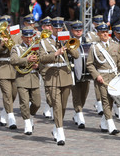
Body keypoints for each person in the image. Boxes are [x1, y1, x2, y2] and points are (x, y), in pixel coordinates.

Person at [39, 17, 79, 145]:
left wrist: (68, 46)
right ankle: (61, 133)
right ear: (51, 28)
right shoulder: (44, 42)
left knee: (63, 106)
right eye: (55, 28)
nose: (58, 30)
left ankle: (56, 127)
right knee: (56, 105)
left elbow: (77, 55)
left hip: (65, 76)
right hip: (52, 76)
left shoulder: (66, 40)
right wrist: (56, 53)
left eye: (60, 28)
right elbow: (42, 58)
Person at [86, 22, 120, 135]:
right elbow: (89, 64)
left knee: (112, 100)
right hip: (102, 77)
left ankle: (104, 123)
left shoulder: (115, 45)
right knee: (105, 100)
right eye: (102, 32)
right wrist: (96, 75)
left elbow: (119, 60)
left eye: (106, 32)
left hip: (114, 76)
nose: (105, 34)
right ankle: (111, 126)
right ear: (98, 34)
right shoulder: (94, 47)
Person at [10, 26, 41, 135]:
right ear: (22, 37)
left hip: (34, 78)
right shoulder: (17, 48)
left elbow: (42, 60)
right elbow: (13, 60)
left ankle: (31, 117)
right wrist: (26, 59)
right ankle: (27, 123)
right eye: (26, 37)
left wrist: (38, 65)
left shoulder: (36, 47)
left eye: (30, 37)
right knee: (24, 103)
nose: (28, 39)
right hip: (22, 78)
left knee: (37, 103)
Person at [0, 18, 17, 129]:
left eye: (8, 26)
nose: (7, 29)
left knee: (14, 94)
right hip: (2, 68)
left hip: (14, 68)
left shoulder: (14, 36)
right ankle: (11, 118)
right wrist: (1, 46)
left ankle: (3, 113)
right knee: (7, 93)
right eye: (5, 26)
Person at [70, 21, 91, 129]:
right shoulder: (69, 41)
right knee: (76, 94)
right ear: (72, 31)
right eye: (76, 30)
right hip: (73, 71)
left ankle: (77, 112)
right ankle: (80, 115)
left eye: (80, 30)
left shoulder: (86, 41)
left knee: (84, 94)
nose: (78, 31)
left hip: (85, 72)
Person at [39, 16, 53, 119]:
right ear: (43, 26)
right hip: (43, 66)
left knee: (52, 89)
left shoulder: (53, 37)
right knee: (48, 89)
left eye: (50, 25)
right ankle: (51, 108)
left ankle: (48, 107)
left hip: (54, 66)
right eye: (47, 25)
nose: (50, 27)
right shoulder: (38, 37)